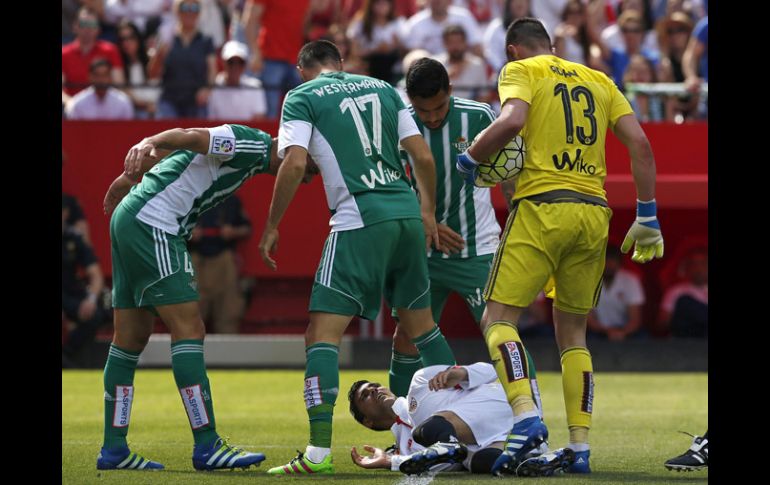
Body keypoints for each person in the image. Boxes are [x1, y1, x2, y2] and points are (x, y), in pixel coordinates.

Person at [455, 17, 664, 474]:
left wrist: (471, 158)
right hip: (593, 213)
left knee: (497, 319)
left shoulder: (523, 71)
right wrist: (647, 215)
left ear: (513, 50)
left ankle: (526, 416)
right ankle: (579, 445)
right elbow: (641, 145)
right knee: (573, 333)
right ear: (550, 43)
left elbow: (512, 120)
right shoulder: (600, 78)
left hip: (543, 207)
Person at [259, 40, 457, 475]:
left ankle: (317, 454)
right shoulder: (384, 88)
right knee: (423, 329)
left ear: (301, 69)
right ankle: (461, 421)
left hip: (358, 219)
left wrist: (272, 223)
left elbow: (293, 162)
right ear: (342, 64)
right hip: (405, 213)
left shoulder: (302, 95)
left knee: (320, 336)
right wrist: (426, 211)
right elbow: (421, 155)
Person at [98, 123, 317, 471]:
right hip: (155, 224)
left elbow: (188, 152)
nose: (306, 180)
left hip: (134, 217)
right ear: (297, 152)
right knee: (189, 329)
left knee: (129, 339)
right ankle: (207, 445)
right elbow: (192, 135)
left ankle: (114, 449)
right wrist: (148, 141)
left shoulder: (249, 156)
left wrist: (131, 177)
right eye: (310, 169)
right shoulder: (252, 145)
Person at [388, 58, 543, 422]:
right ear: (410, 100)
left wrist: (519, 226)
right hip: (422, 251)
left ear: (451, 92)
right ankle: (403, 428)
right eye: (423, 110)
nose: (431, 117)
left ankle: (532, 419)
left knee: (500, 334)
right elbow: (394, 182)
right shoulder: (398, 123)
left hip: (477, 250)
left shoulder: (478, 116)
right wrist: (424, 220)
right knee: (405, 339)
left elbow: (508, 173)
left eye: (439, 107)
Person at [348, 364, 574, 476]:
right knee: (479, 461)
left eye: (375, 386)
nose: (375, 390)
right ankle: (541, 460)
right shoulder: (407, 450)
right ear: (368, 421)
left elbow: (492, 370)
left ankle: (448, 442)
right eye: (365, 395)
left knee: (428, 430)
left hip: (500, 405)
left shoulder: (419, 382)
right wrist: (389, 461)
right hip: (499, 438)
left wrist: (463, 373)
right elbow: (445, 464)